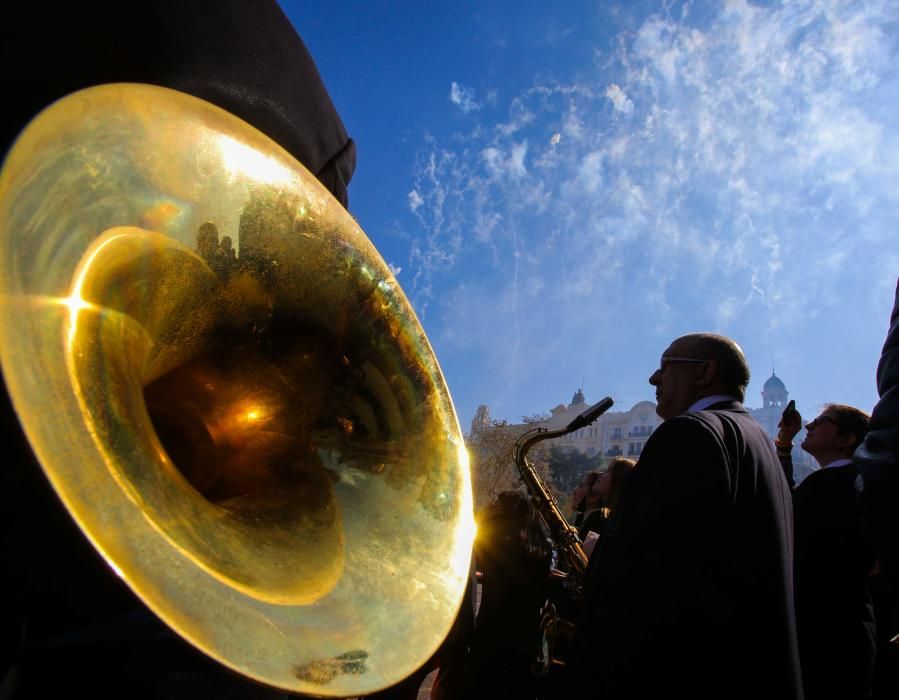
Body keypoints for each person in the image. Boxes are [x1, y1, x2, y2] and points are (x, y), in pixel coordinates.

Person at [567, 333, 802, 700]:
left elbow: (645, 573)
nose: (653, 379)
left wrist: (598, 556)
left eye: (665, 367)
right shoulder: (758, 441)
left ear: (705, 372)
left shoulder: (690, 432)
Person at [778, 404, 876, 700]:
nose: (809, 426)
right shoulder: (844, 483)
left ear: (846, 440)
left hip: (828, 634)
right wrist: (784, 444)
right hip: (844, 631)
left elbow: (785, 508)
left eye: (821, 421)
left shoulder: (838, 485)